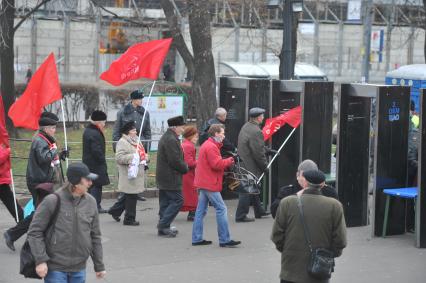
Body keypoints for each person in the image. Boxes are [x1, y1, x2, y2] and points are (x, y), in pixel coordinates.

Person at [27, 163, 105, 282]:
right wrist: (40, 260)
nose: (90, 183)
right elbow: (34, 232)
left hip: (79, 268)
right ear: (76, 182)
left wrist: (99, 265)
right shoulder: (52, 201)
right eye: (87, 179)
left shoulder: (91, 202)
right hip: (55, 268)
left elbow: (95, 236)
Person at [4, 112, 67, 251]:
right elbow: (44, 158)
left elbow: (47, 158)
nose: (54, 130)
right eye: (52, 127)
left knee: (43, 211)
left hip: (41, 180)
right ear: (45, 128)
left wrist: (60, 154)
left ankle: (21, 235)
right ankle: (13, 234)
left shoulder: (45, 139)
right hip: (39, 181)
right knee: (41, 212)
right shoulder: (40, 140)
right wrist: (55, 151)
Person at [271, 170, 347, 283]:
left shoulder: (287, 203)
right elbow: (340, 240)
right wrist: (329, 254)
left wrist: (287, 250)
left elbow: (277, 235)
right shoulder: (334, 206)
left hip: (291, 270)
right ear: (322, 184)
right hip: (319, 271)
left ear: (305, 182)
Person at [192, 124, 241, 248]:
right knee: (221, 209)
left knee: (200, 211)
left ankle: (197, 238)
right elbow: (217, 164)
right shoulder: (212, 147)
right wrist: (231, 160)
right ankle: (224, 239)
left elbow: (214, 163)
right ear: (216, 134)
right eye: (222, 133)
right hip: (209, 182)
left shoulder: (208, 145)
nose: (224, 136)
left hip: (204, 181)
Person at [112, 89, 150, 202]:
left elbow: (147, 131)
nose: (141, 101)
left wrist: (146, 148)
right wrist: (116, 146)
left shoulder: (144, 112)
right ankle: (123, 192)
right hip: (126, 144)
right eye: (139, 99)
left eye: (141, 98)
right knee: (125, 169)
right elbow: (116, 131)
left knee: (138, 169)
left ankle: (137, 191)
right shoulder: (122, 112)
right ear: (133, 100)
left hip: (140, 144)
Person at [235, 107, 270, 222]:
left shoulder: (246, 126)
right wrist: (264, 167)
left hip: (243, 163)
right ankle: (241, 215)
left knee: (252, 187)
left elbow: (255, 146)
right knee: (247, 189)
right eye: (262, 116)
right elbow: (258, 153)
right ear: (258, 117)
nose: (263, 118)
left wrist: (266, 149)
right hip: (249, 165)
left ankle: (259, 211)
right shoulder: (256, 131)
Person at [156, 115, 189, 237]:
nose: (183, 129)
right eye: (182, 126)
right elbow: (175, 160)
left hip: (164, 176)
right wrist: (185, 167)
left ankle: (164, 227)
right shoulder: (171, 139)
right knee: (178, 200)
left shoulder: (168, 137)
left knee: (165, 202)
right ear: (175, 127)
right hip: (170, 177)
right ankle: (163, 225)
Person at [108, 121, 147, 226]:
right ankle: (129, 219)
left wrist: (144, 157)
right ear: (128, 132)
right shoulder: (122, 142)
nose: (136, 131)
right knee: (131, 196)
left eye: (135, 130)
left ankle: (115, 210)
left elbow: (141, 153)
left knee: (130, 194)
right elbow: (119, 158)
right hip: (128, 173)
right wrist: (133, 157)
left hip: (137, 172)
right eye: (133, 130)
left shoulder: (137, 140)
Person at [270, 159, 338, 218]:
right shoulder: (287, 192)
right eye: (304, 176)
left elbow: (336, 215)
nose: (307, 180)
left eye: (310, 176)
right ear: (297, 175)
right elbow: (275, 212)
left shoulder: (329, 192)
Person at [82, 110, 110, 214]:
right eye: (104, 122)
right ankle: (95, 206)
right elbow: (96, 150)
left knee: (92, 186)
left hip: (90, 164)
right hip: (95, 164)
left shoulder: (90, 130)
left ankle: (92, 206)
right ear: (98, 122)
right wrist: (102, 159)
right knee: (96, 186)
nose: (104, 124)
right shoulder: (94, 133)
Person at [0, 143, 24, 223]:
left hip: (2, 180)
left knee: (11, 202)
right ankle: (22, 221)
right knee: (11, 203)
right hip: (1, 182)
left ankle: (21, 220)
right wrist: (7, 151)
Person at [180, 126, 199, 221]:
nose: (197, 138)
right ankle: (192, 214)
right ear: (190, 136)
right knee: (191, 194)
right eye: (195, 136)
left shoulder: (185, 144)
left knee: (188, 193)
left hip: (186, 173)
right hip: (188, 174)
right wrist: (199, 162)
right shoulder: (189, 146)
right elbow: (189, 162)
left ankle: (192, 212)